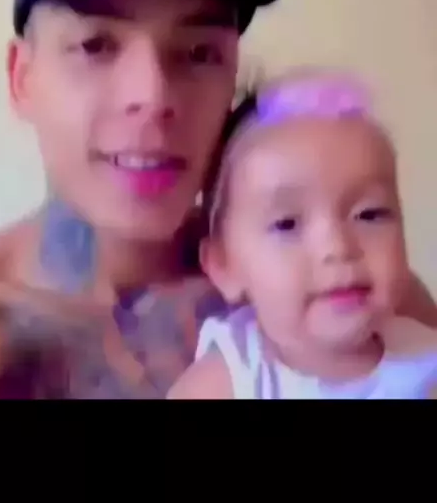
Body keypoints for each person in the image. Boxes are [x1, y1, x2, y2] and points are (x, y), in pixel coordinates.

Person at [0, 0, 435, 399]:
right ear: (22, 79)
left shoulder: (346, 285)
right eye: (94, 45)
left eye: (200, 52)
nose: (153, 96)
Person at [169, 71, 437, 399]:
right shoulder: (230, 380)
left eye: (370, 214)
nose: (337, 248)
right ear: (225, 266)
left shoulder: (423, 358)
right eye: (287, 224)